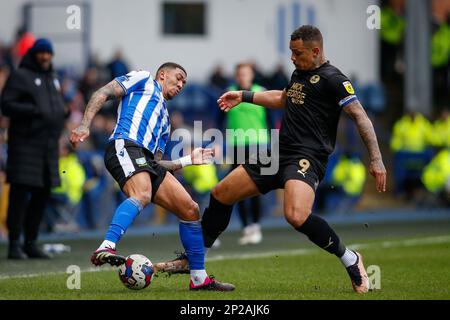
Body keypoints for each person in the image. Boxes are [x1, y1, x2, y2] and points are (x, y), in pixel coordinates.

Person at [156, 25, 387, 293]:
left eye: (297, 53)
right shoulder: (299, 72)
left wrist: (377, 159)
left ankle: (351, 259)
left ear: (315, 51)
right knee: (221, 193)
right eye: (291, 52)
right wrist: (243, 96)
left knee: (295, 215)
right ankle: (194, 260)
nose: (292, 57)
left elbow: (360, 116)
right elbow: (283, 98)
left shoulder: (334, 79)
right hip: (277, 152)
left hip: (307, 157)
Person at [70, 63, 234, 291]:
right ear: (162, 74)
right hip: (124, 144)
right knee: (142, 193)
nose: (180, 85)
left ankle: (199, 279)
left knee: (190, 209)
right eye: (177, 78)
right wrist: (84, 125)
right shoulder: (143, 79)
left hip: (144, 159)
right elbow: (103, 92)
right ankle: (106, 246)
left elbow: (155, 164)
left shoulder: (165, 122)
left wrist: (187, 160)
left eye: (184, 83)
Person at [1, 38, 66, 259]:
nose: (46, 57)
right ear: (34, 54)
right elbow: (6, 104)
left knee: (42, 195)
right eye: (42, 53)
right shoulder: (20, 76)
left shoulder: (52, 78)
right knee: (20, 196)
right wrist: (35, 110)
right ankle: (13, 244)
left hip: (48, 149)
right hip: (25, 146)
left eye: (49, 53)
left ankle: (30, 243)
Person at [226, 63, 268, 245]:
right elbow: (220, 117)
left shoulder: (261, 92)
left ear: (251, 76)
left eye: (246, 74)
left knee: (257, 187)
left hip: (259, 144)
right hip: (236, 145)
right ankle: (246, 228)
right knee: (237, 188)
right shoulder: (228, 93)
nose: (243, 77)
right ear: (237, 77)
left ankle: (256, 226)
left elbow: (272, 118)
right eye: (240, 74)